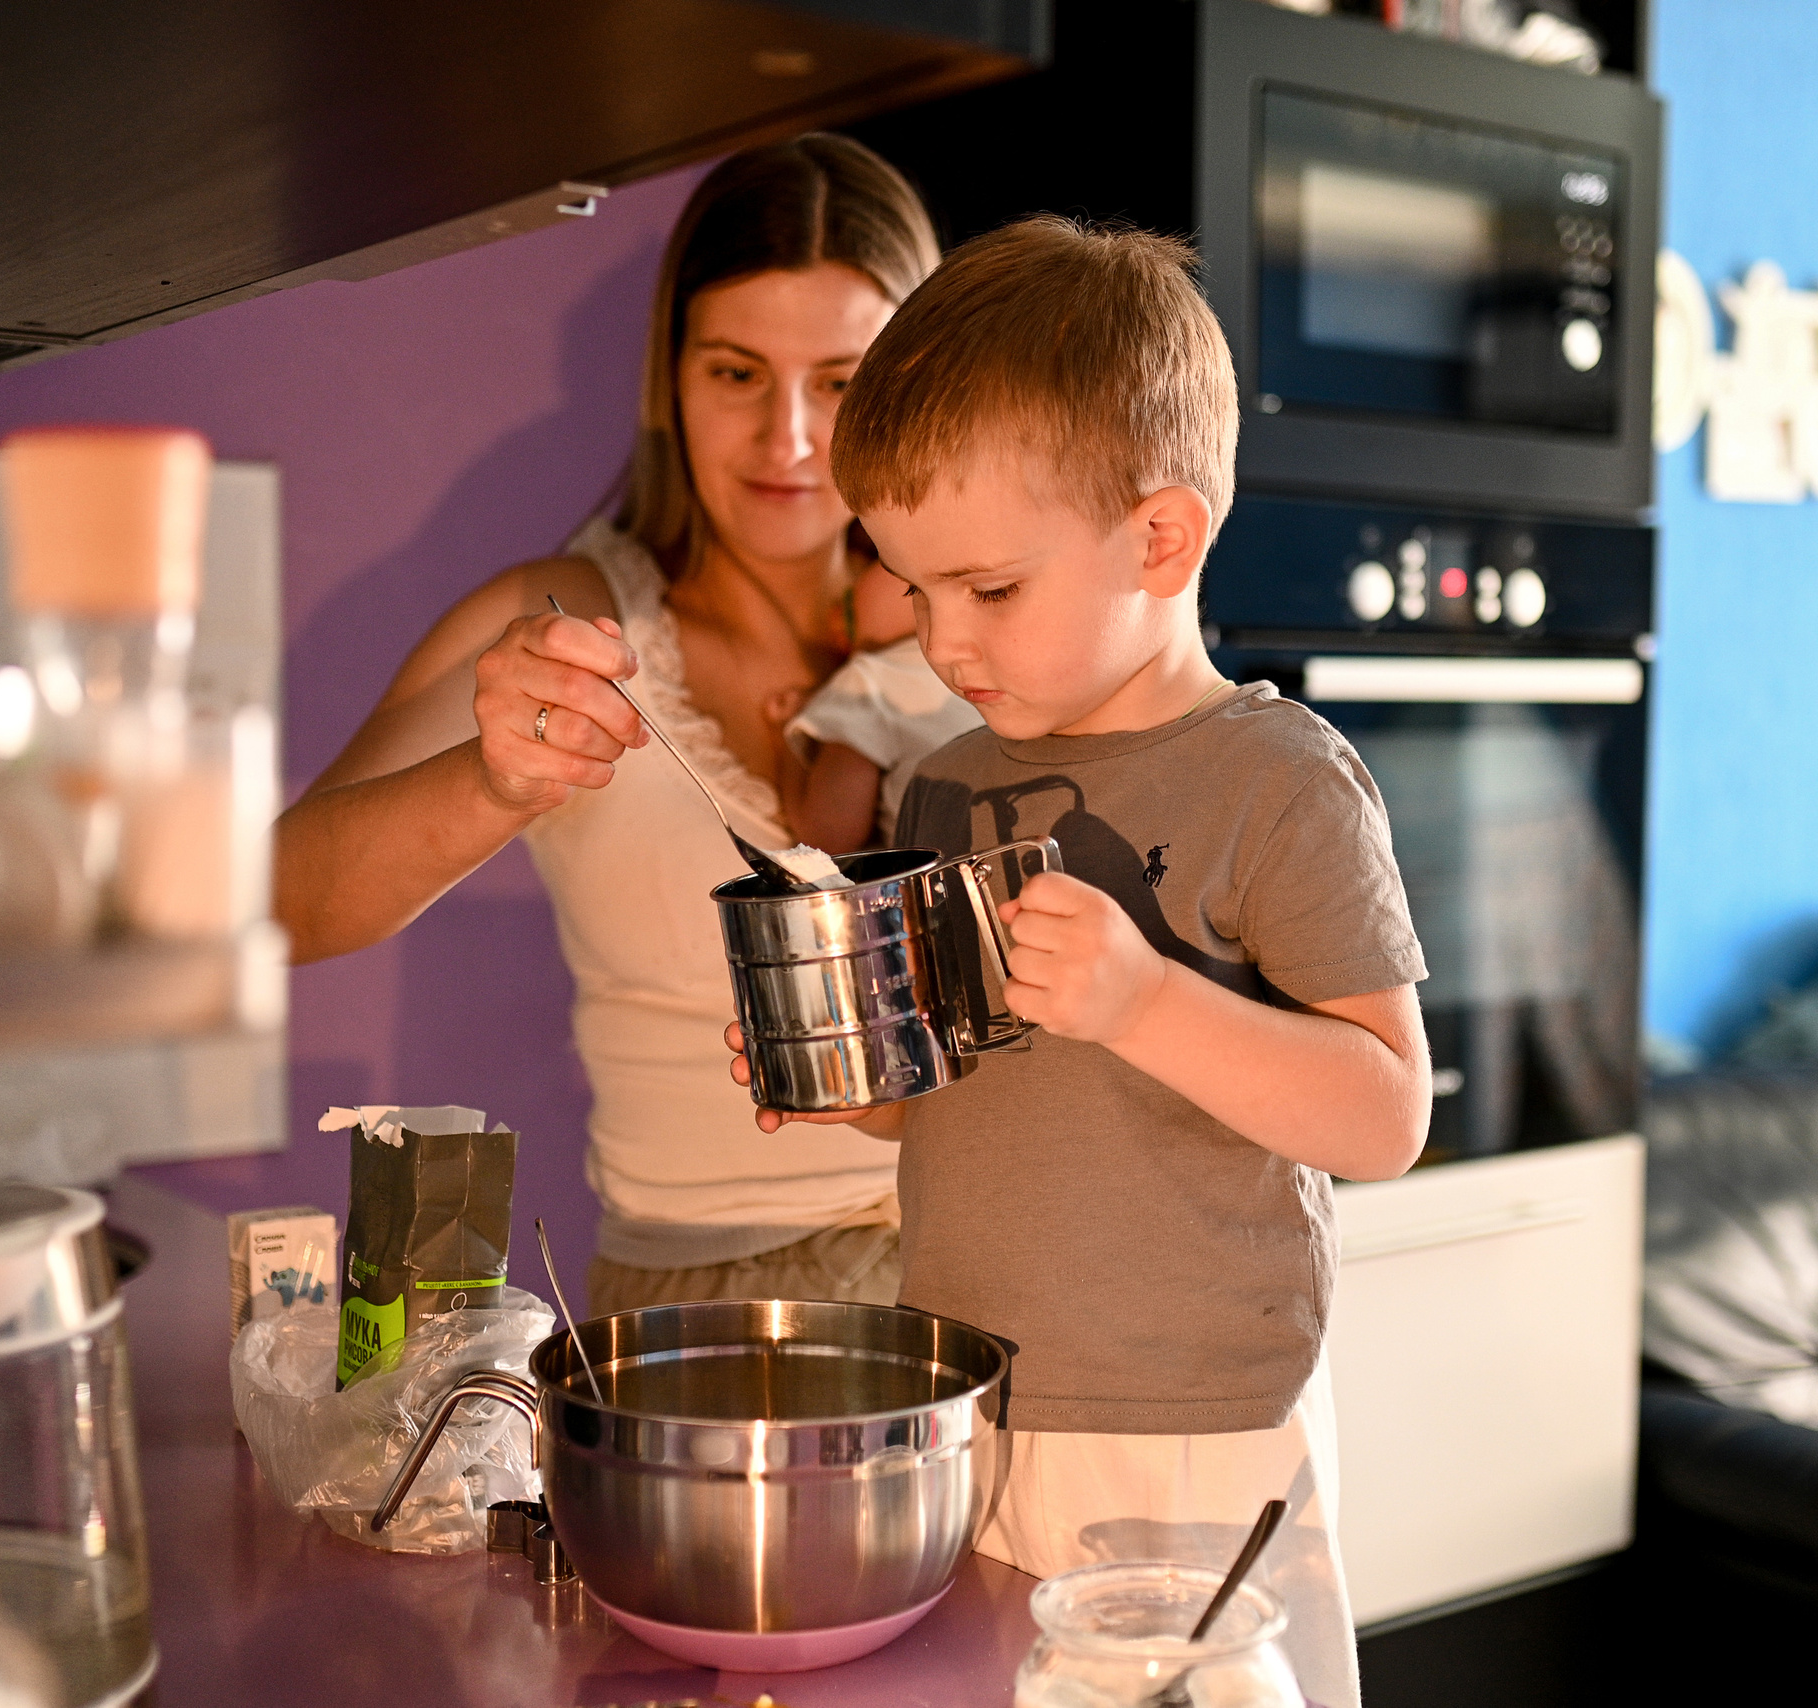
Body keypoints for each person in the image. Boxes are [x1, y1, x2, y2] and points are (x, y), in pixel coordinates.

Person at [726, 216, 1435, 1706]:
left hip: (1190, 1425)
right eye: (913, 591)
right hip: (966, 1403)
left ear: (1161, 538)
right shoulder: (941, 787)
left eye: (988, 590)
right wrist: (840, 1069)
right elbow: (956, 1099)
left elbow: (1384, 1116)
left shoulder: (1280, 782)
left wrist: (1147, 998)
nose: (941, 642)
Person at [273, 135, 971, 1315]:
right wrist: (492, 782)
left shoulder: (987, 615)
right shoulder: (557, 622)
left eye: (842, 381)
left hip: (1003, 1267)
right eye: (737, 373)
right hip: (696, 1311)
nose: (789, 441)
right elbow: (280, 906)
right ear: (670, 374)